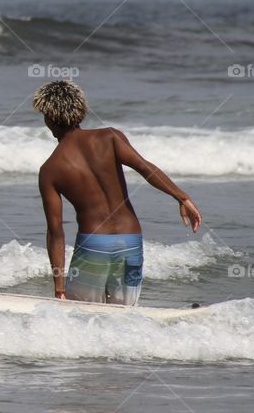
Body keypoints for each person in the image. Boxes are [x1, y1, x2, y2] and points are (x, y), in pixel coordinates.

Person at [33, 80, 202, 306]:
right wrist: (182, 197)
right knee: (125, 316)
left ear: (50, 118)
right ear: (80, 111)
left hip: (94, 245)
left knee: (81, 316)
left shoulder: (50, 169)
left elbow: (56, 233)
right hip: (130, 242)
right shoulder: (110, 138)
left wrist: (59, 288)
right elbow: (145, 168)